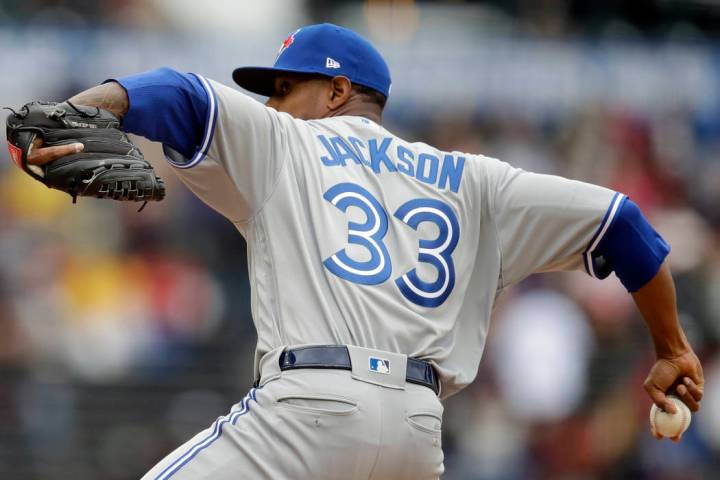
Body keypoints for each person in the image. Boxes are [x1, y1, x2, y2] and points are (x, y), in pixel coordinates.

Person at [24, 23, 703, 480]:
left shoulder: (290, 141)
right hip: (416, 431)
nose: (273, 102)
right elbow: (626, 225)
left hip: (310, 408)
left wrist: (74, 109)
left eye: (286, 88)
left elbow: (176, 93)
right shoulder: (478, 180)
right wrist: (672, 348)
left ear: (337, 93)